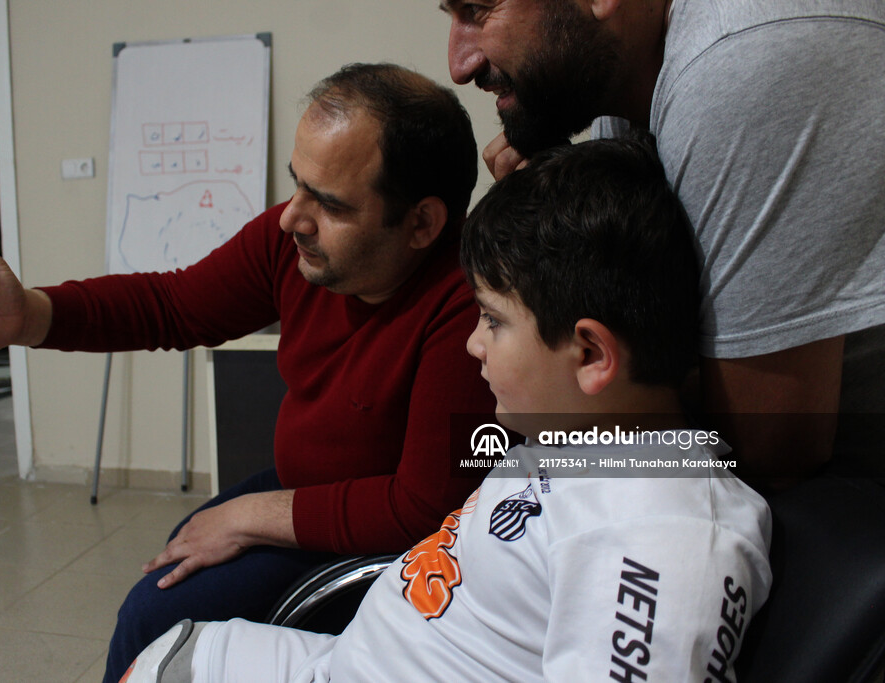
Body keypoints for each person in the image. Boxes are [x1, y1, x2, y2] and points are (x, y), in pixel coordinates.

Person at [0, 63, 494, 682]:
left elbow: (423, 505)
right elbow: (174, 305)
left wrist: (247, 516)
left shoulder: (467, 309)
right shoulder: (294, 244)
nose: (292, 218)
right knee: (180, 557)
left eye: (329, 203)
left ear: (422, 224)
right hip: (310, 487)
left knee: (154, 618)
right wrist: (26, 316)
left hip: (383, 535)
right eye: (298, 185)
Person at [120, 135, 772, 683]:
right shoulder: (580, 435)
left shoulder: (663, 536)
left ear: (591, 354)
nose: (472, 343)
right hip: (354, 660)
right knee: (158, 653)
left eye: (492, 321)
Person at [439, 0, 885, 482]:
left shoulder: (738, 66)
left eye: (478, 10)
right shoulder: (631, 73)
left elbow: (770, 446)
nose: (460, 65)